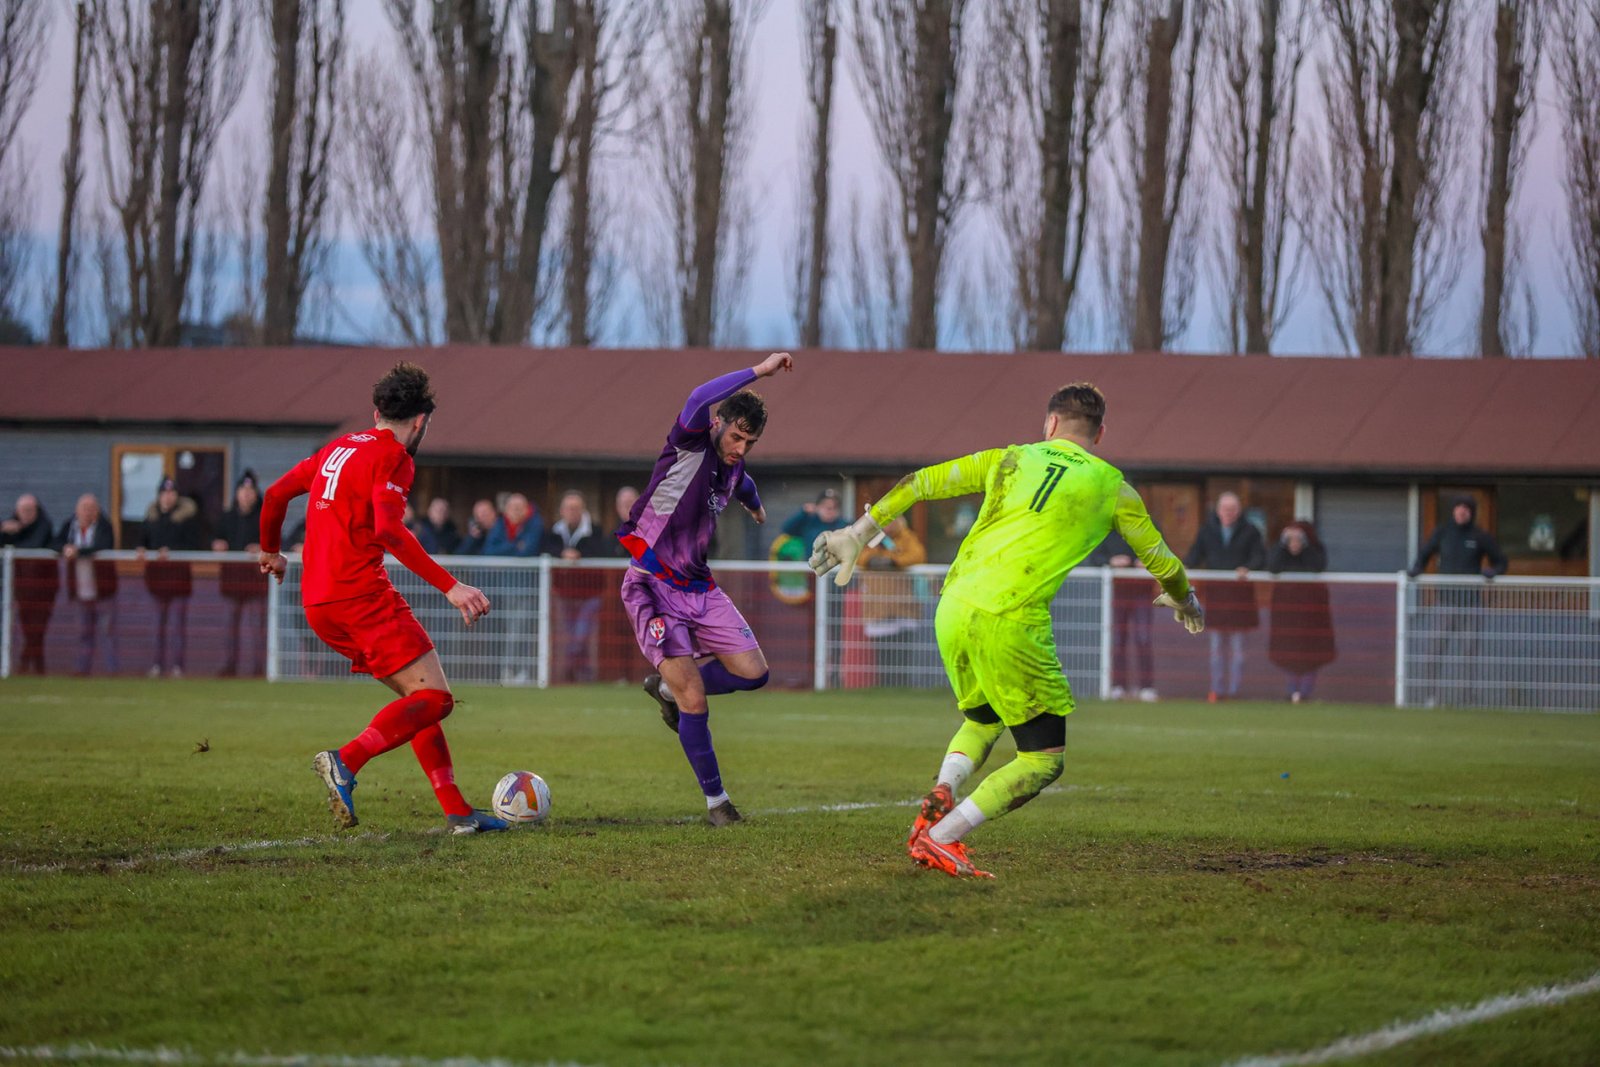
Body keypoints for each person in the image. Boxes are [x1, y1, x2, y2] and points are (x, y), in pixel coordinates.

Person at [810, 382, 1202, 878]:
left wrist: (856, 532)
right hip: (1011, 618)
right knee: (1043, 760)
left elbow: (918, 482)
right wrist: (1184, 598)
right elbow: (1163, 562)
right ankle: (940, 837)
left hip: (953, 606)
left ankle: (943, 790)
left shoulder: (1008, 458)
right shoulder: (1113, 487)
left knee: (984, 719)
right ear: (1099, 434)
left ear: (1050, 423)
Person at [257, 361, 504, 836]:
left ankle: (457, 812)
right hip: (360, 595)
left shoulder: (338, 448)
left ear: (377, 413)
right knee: (436, 699)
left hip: (319, 604)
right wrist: (451, 586)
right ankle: (345, 761)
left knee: (418, 698)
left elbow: (274, 495)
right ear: (421, 421)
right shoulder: (395, 456)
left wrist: (271, 551)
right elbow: (389, 530)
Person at [619, 351, 794, 826]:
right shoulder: (689, 445)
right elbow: (698, 395)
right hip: (651, 585)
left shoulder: (733, 466)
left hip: (699, 587)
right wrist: (761, 371)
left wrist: (756, 508)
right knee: (694, 697)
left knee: (754, 673)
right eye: (736, 436)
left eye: (750, 442)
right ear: (718, 423)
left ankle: (668, 690)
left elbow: (743, 483)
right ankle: (718, 803)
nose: (740, 447)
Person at [1407, 495, 1508, 706]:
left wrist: (1493, 572)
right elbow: (1424, 554)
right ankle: (1430, 698)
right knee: (1434, 650)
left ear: (1471, 513)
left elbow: (1501, 561)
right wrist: (1417, 569)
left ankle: (1466, 699)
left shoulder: (1480, 536)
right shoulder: (1442, 533)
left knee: (1469, 652)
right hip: (1445, 603)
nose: (1462, 512)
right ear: (1453, 511)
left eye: (1466, 509)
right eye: (1459, 508)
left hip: (1471, 605)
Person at [1184, 492, 1266, 702]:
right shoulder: (1207, 530)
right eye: (1225, 509)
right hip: (1216, 597)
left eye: (1232, 509)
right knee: (1216, 649)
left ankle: (1234, 691)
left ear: (1238, 511)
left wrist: (1248, 568)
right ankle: (1217, 690)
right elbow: (1195, 554)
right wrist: (1184, 567)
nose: (1229, 513)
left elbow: (1260, 557)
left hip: (1240, 599)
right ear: (1218, 510)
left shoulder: (1251, 531)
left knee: (1239, 651)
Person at [138, 476, 202, 678]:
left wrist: (172, 551)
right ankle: (156, 664)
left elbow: (194, 545)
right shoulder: (151, 518)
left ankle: (177, 666)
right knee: (157, 626)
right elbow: (142, 540)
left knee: (177, 627)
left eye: (171, 493)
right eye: (164, 493)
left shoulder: (188, 519)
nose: (167, 497)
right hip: (156, 581)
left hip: (179, 581)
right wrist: (141, 549)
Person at [851, 515, 926, 686]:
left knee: (903, 649)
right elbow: (857, 556)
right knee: (882, 650)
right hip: (877, 605)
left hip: (902, 605)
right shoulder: (869, 538)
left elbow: (917, 555)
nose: (888, 526)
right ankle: (885, 684)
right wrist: (871, 559)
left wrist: (894, 561)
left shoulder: (907, 537)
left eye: (891, 521)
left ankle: (902, 684)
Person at [1266, 521, 1336, 703]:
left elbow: (1317, 566)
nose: (1294, 542)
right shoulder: (1281, 551)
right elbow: (1273, 566)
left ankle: (1305, 691)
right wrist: (1282, 544)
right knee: (1288, 650)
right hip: (1287, 613)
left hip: (1311, 614)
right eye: (1291, 538)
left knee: (1312, 652)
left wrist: (1305, 546)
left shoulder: (1315, 550)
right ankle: (1292, 690)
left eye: (1299, 538)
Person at [1088, 527, 1158, 701]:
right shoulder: (1107, 530)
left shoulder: (1149, 527)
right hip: (1117, 593)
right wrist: (1112, 561)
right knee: (1118, 639)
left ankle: (1146, 687)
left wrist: (1148, 562)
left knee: (1143, 638)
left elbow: (1161, 554)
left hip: (1142, 592)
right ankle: (1118, 686)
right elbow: (1095, 557)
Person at [544, 490, 606, 683]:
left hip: (589, 594)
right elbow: (546, 549)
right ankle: (573, 673)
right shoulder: (554, 532)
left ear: (583, 510)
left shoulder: (595, 531)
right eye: (569, 508)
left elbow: (599, 551)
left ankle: (580, 673)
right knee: (569, 636)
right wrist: (562, 554)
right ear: (562, 510)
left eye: (576, 508)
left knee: (582, 635)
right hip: (564, 594)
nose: (572, 512)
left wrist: (579, 555)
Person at [56, 493, 118, 676]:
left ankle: (112, 672)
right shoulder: (70, 526)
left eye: (91, 508)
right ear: (77, 510)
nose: (88, 512)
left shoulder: (104, 527)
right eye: (84, 508)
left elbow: (103, 546)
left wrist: (78, 552)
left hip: (103, 591)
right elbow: (54, 542)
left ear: (97, 511)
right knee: (83, 633)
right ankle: (82, 670)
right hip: (80, 591)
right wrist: (65, 549)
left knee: (107, 633)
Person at [213, 470, 266, 677]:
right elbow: (215, 538)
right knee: (229, 627)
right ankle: (230, 666)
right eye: (243, 490)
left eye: (250, 490)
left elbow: (276, 542)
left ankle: (259, 668)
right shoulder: (227, 517)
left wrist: (261, 548)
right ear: (237, 493)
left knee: (257, 628)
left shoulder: (264, 517)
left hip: (255, 581)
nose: (246, 494)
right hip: (231, 581)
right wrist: (217, 545)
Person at [2, 494, 59, 674]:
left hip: (44, 590)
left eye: (29, 510)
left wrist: (17, 532)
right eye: (23, 510)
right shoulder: (10, 526)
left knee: (38, 629)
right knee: (28, 628)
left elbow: (34, 545)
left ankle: (28, 665)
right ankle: (34, 667)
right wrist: (4, 530)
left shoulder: (44, 525)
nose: (26, 514)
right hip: (21, 589)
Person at [781, 488, 847, 547]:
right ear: (817, 507)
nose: (830, 510)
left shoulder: (844, 526)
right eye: (825, 505)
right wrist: (803, 512)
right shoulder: (808, 523)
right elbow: (787, 530)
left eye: (834, 506)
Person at [608, 486, 640, 557]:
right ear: (618, 508)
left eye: (630, 503)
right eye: (624, 504)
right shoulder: (612, 538)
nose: (628, 508)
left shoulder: (652, 533)